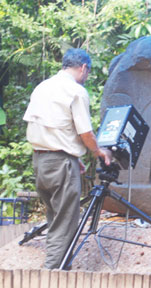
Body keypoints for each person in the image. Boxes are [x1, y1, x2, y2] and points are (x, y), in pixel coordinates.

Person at [23, 48, 112, 269]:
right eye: (88, 72)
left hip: (41, 161)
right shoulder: (75, 91)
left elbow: (51, 126)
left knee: (55, 218)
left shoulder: (43, 87)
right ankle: (52, 273)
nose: (87, 77)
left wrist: (72, 154)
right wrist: (98, 151)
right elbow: (85, 133)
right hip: (61, 164)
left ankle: (62, 266)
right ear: (83, 68)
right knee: (65, 222)